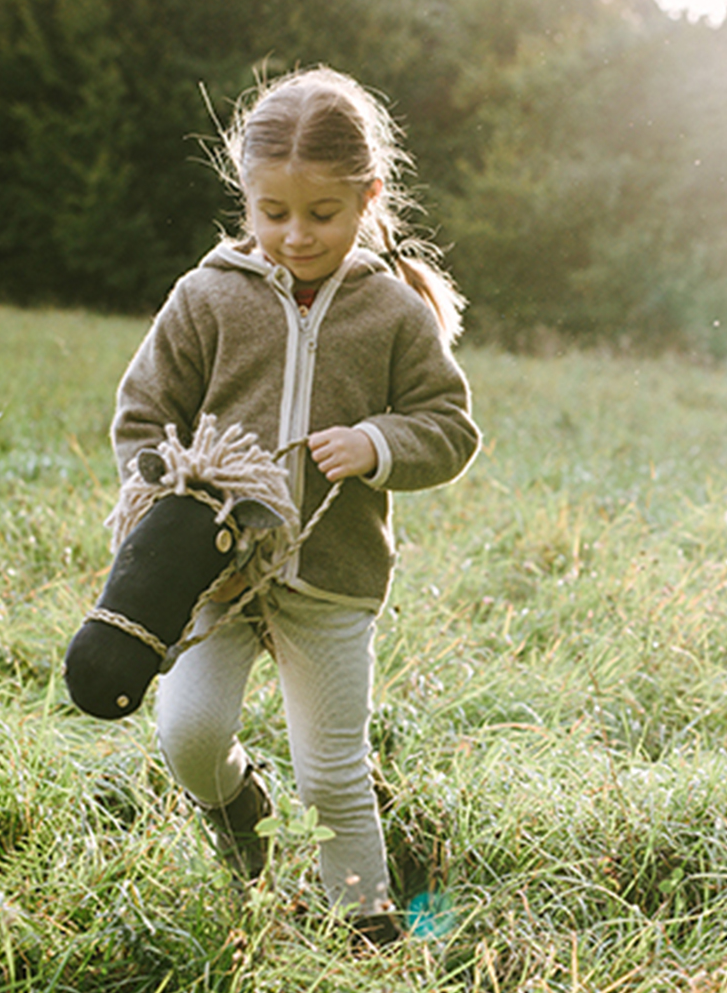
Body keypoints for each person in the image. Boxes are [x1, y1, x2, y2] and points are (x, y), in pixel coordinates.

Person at [110, 65, 481, 950]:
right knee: (188, 738)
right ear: (246, 196)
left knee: (332, 773)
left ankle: (367, 928)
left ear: (368, 197)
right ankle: (237, 803)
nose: (295, 234)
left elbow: (451, 427)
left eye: (321, 214)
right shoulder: (207, 297)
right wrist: (172, 490)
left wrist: (378, 444)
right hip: (216, 570)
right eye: (273, 212)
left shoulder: (391, 313)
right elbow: (141, 416)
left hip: (335, 579)